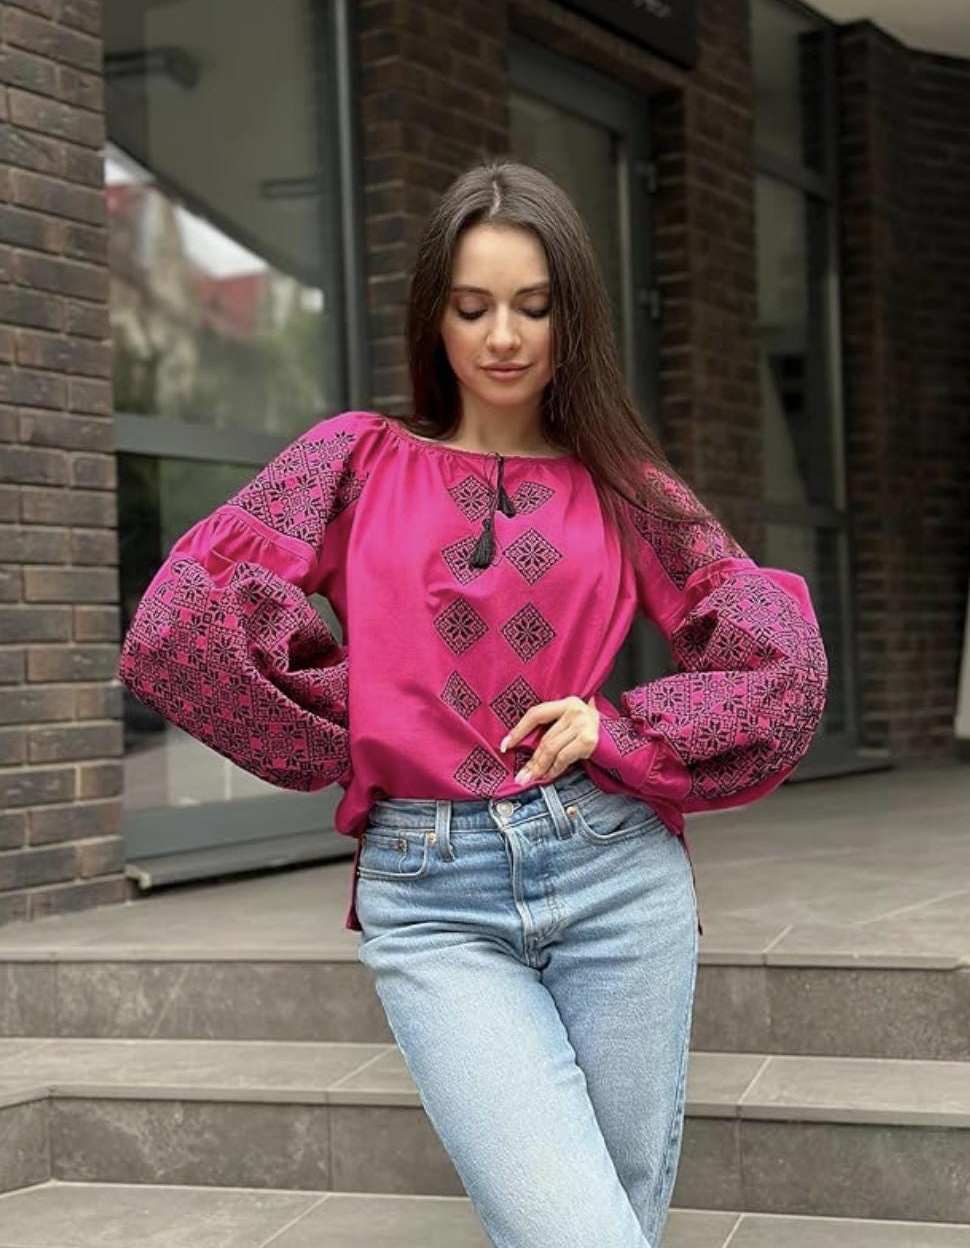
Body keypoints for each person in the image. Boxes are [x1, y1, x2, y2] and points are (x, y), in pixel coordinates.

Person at [118, 159, 828, 1247]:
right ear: (434, 318)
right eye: (473, 305)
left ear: (571, 319)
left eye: (534, 307)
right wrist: (355, 713)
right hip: (431, 896)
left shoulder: (623, 483)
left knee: (612, 1219)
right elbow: (189, 609)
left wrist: (623, 726)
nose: (503, 335)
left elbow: (771, 649)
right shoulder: (357, 460)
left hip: (613, 871)